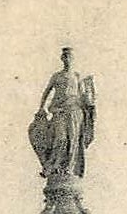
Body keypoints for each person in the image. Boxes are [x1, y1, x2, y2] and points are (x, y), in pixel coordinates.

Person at [28, 47, 95, 180]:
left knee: (73, 141)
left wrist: (90, 95)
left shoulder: (77, 76)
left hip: (74, 112)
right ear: (62, 59)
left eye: (70, 57)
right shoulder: (57, 76)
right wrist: (41, 107)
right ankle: (52, 166)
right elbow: (47, 91)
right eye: (65, 57)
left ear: (73, 59)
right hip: (59, 110)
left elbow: (83, 96)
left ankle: (68, 168)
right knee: (60, 139)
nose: (68, 59)